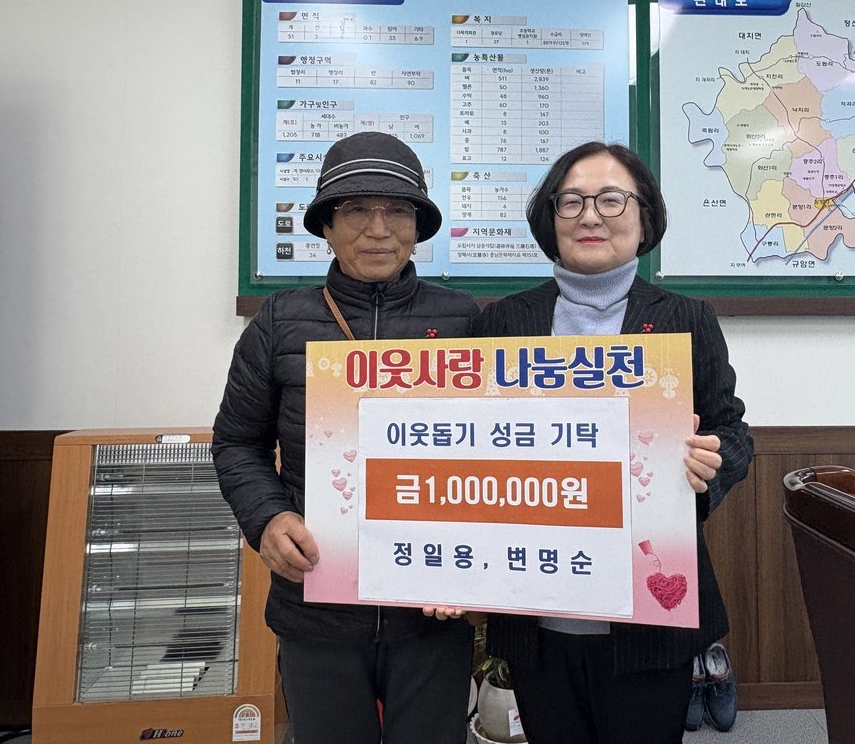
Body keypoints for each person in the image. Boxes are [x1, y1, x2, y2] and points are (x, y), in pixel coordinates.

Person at [473, 141, 754, 744]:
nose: (590, 216)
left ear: (644, 215)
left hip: (648, 614)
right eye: (571, 201)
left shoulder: (687, 318)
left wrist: (712, 461)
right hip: (536, 609)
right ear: (550, 218)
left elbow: (732, 431)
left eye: (610, 199)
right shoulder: (502, 323)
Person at [212, 132, 479, 744]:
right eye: (356, 210)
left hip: (433, 604)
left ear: (419, 227)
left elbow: (499, 454)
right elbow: (237, 443)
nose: (378, 229)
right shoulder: (280, 321)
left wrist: (475, 562)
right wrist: (268, 518)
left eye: (398, 210)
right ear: (326, 227)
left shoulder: (465, 320)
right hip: (316, 600)